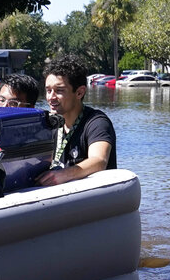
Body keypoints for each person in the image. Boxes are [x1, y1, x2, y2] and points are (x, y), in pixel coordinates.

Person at [35, 55, 117, 187]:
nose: (51, 97)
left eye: (59, 91)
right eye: (48, 90)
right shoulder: (49, 123)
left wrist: (63, 174)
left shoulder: (97, 122)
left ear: (79, 92)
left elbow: (99, 160)